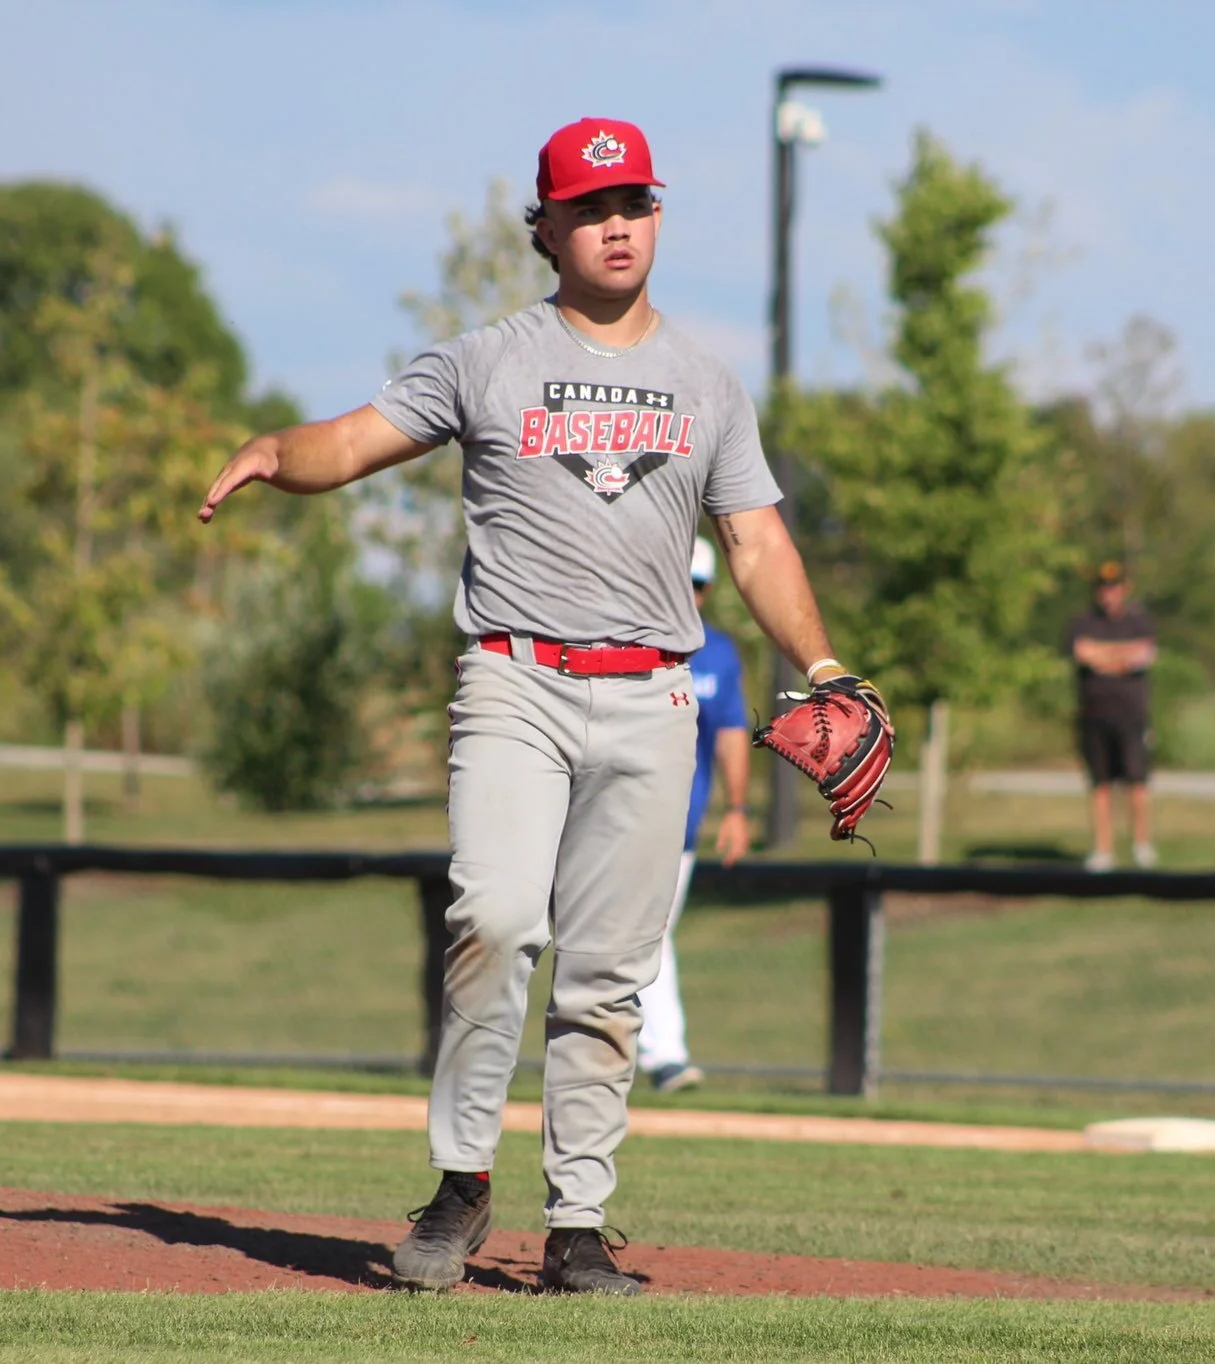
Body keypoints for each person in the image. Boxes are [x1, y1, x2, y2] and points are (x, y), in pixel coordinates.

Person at [196, 117, 868, 1295]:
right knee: (496, 917)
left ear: (656, 218)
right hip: (516, 678)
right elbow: (352, 440)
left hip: (654, 692)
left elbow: (755, 540)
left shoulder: (707, 383)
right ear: (546, 228)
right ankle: (460, 1185)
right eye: (592, 208)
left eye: (635, 205)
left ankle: (577, 1226)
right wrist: (272, 449)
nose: (617, 225)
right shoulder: (484, 359)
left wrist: (820, 666)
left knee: (611, 970)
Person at [638, 536, 752, 1096]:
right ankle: (658, 1054)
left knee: (648, 934)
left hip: (677, 825)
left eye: (699, 585)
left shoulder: (719, 654)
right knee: (631, 935)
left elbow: (731, 734)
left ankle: (663, 1055)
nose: (691, 594)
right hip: (603, 814)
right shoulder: (623, 641)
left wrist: (736, 808)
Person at [1065, 561, 1159, 872]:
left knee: (1137, 782)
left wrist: (1104, 656)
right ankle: (1102, 849)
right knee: (1100, 784)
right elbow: (1083, 653)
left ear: (1124, 589)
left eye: (1114, 587)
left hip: (1131, 715)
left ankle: (1141, 845)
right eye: (1103, 588)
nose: (1109, 594)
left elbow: (1143, 655)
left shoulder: (1138, 620)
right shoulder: (1083, 621)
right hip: (1094, 715)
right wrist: (1120, 656)